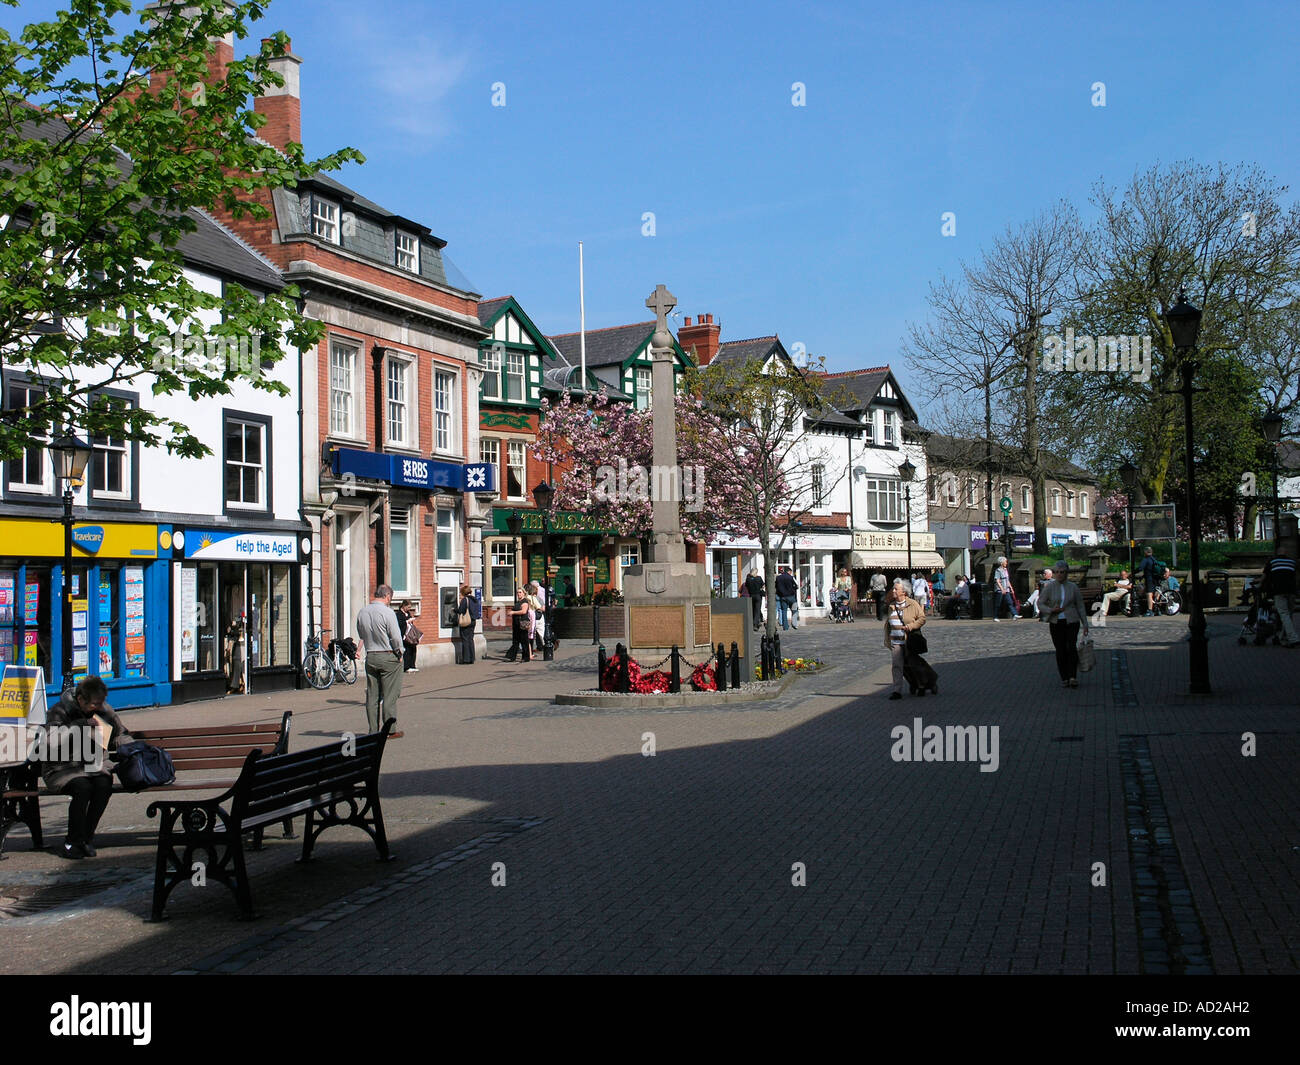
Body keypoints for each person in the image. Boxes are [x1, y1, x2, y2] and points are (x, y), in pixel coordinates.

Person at [43, 675, 131, 859]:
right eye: (94, 704)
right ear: (81, 699)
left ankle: (85, 838)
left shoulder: (104, 711)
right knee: (82, 787)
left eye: (101, 703)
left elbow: (119, 733)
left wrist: (132, 748)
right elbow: (51, 741)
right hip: (62, 769)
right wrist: (79, 725)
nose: (98, 707)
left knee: (103, 784)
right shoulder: (59, 711)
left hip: (93, 766)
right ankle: (73, 841)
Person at [356, 584, 405, 737]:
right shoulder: (388, 612)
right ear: (388, 596)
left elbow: (361, 632)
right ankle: (389, 730)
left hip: (371, 655)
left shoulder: (362, 612)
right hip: (388, 655)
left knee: (372, 695)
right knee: (390, 694)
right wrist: (400, 652)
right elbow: (395, 636)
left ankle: (372, 731)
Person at [1039, 562, 1090, 687]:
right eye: (1057, 572)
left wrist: (1085, 623)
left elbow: (1080, 606)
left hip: (1072, 620)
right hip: (1056, 622)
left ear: (1067, 573)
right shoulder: (1050, 587)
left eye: (1062, 572)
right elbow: (1040, 603)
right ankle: (1064, 677)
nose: (1060, 574)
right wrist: (1051, 610)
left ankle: (1073, 676)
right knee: (1060, 649)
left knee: (1071, 647)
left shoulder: (1073, 587)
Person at [884, 577, 934, 699]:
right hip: (896, 640)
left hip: (909, 640)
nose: (893, 591)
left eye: (896, 589)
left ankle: (921, 685)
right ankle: (897, 690)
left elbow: (922, 618)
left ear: (903, 591)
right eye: (893, 589)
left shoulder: (913, 604)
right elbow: (889, 623)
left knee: (913, 664)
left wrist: (911, 626)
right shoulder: (891, 605)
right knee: (897, 665)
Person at [1262, 547, 1298, 647]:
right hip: (1291, 591)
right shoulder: (1292, 562)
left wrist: (1259, 585)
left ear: (1277, 553)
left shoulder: (1272, 561)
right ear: (1286, 553)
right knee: (1288, 615)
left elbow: (1264, 576)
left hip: (1279, 591)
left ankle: (1293, 638)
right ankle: (1284, 638)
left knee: (1284, 614)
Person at [504, 585, 535, 662]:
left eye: (520, 592)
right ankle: (512, 657)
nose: (519, 594)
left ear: (524, 593)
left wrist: (513, 612)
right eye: (517, 593)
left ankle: (526, 657)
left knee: (524, 640)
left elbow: (524, 611)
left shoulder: (525, 601)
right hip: (516, 623)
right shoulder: (518, 602)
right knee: (515, 640)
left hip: (522, 623)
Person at [1137, 547, 1163, 616]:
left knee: (1149, 594)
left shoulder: (1146, 560)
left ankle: (1150, 610)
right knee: (1156, 593)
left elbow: (1140, 568)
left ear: (1145, 552)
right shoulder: (1154, 559)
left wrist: (1133, 572)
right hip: (1156, 579)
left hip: (1149, 579)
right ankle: (1157, 609)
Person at [395, 600, 419, 673]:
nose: (409, 609)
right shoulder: (399, 614)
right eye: (408, 607)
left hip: (410, 635)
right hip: (404, 635)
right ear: (404, 606)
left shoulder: (408, 613)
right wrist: (407, 621)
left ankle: (412, 665)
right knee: (407, 650)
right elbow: (399, 624)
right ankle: (406, 666)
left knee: (413, 648)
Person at [456, 583, 478, 664]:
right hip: (473, 621)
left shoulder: (465, 600)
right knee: (470, 639)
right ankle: (472, 658)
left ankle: (466, 659)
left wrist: (454, 610)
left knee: (465, 639)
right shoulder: (474, 599)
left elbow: (461, 610)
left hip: (466, 621)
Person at [993, 556, 1016, 621]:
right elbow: (997, 581)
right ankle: (995, 616)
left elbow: (1007, 580)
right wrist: (1002, 589)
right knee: (998, 604)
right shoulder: (998, 570)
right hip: (1000, 590)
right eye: (1005, 561)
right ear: (1001, 563)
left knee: (1010, 602)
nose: (1006, 563)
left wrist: (1011, 588)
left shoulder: (1005, 570)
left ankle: (1014, 614)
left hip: (1006, 589)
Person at [775, 566, 798, 630]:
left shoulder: (778, 578)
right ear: (789, 571)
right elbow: (796, 586)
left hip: (783, 597)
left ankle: (785, 626)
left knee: (784, 611)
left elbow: (776, 587)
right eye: (791, 572)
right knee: (794, 610)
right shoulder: (791, 578)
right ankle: (794, 624)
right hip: (791, 597)